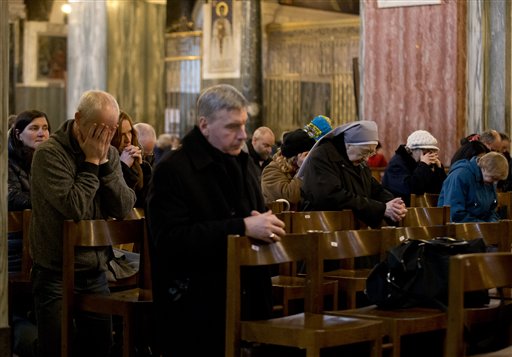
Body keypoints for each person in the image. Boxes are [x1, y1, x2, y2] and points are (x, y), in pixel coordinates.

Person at [146, 84, 286, 357]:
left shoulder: (243, 164)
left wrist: (267, 227)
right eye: (232, 127)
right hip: (195, 301)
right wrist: (242, 227)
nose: (242, 135)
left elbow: (255, 218)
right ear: (204, 125)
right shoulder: (173, 170)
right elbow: (170, 239)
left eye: (244, 125)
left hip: (247, 293)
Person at [29, 90, 136, 357]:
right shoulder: (49, 154)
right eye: (99, 129)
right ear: (78, 119)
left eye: (110, 130)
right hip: (54, 271)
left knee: (100, 348)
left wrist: (106, 166)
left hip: (96, 270)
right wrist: (90, 164)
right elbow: (74, 207)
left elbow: (124, 207)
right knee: (55, 348)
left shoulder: (109, 153)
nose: (105, 138)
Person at [299, 120, 407, 228]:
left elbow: (372, 186)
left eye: (371, 153)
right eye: (364, 152)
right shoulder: (322, 156)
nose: (366, 158)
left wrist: (392, 204)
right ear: (349, 145)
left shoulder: (356, 159)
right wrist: (381, 208)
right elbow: (330, 196)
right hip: (324, 225)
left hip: (350, 225)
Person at [8, 110, 51, 357]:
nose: (42, 133)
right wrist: (48, 202)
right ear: (18, 133)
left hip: (40, 240)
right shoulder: (9, 160)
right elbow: (12, 197)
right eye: (34, 128)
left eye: (45, 127)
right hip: (16, 245)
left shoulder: (50, 159)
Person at [261, 115, 332, 209]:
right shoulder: (271, 171)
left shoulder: (304, 167)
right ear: (296, 157)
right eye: (308, 155)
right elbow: (290, 198)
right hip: (282, 221)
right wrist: (302, 169)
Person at [382, 130, 447, 206]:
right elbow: (410, 190)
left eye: (432, 152)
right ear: (415, 150)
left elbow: (437, 190)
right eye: (426, 152)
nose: (429, 155)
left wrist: (438, 169)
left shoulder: (422, 164)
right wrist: (423, 165)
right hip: (401, 210)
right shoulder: (396, 165)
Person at [438, 151, 508, 222]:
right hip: (457, 227)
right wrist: (483, 226)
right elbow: (455, 213)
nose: (495, 182)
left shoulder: (488, 179)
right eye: (493, 178)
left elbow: (491, 211)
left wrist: (493, 223)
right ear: (484, 168)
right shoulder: (460, 175)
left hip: (478, 226)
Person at [111, 111, 152, 208]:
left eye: (129, 132)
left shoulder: (143, 165)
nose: (128, 140)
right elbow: (120, 204)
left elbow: (147, 203)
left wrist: (141, 167)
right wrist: (124, 167)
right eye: (121, 135)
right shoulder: (106, 164)